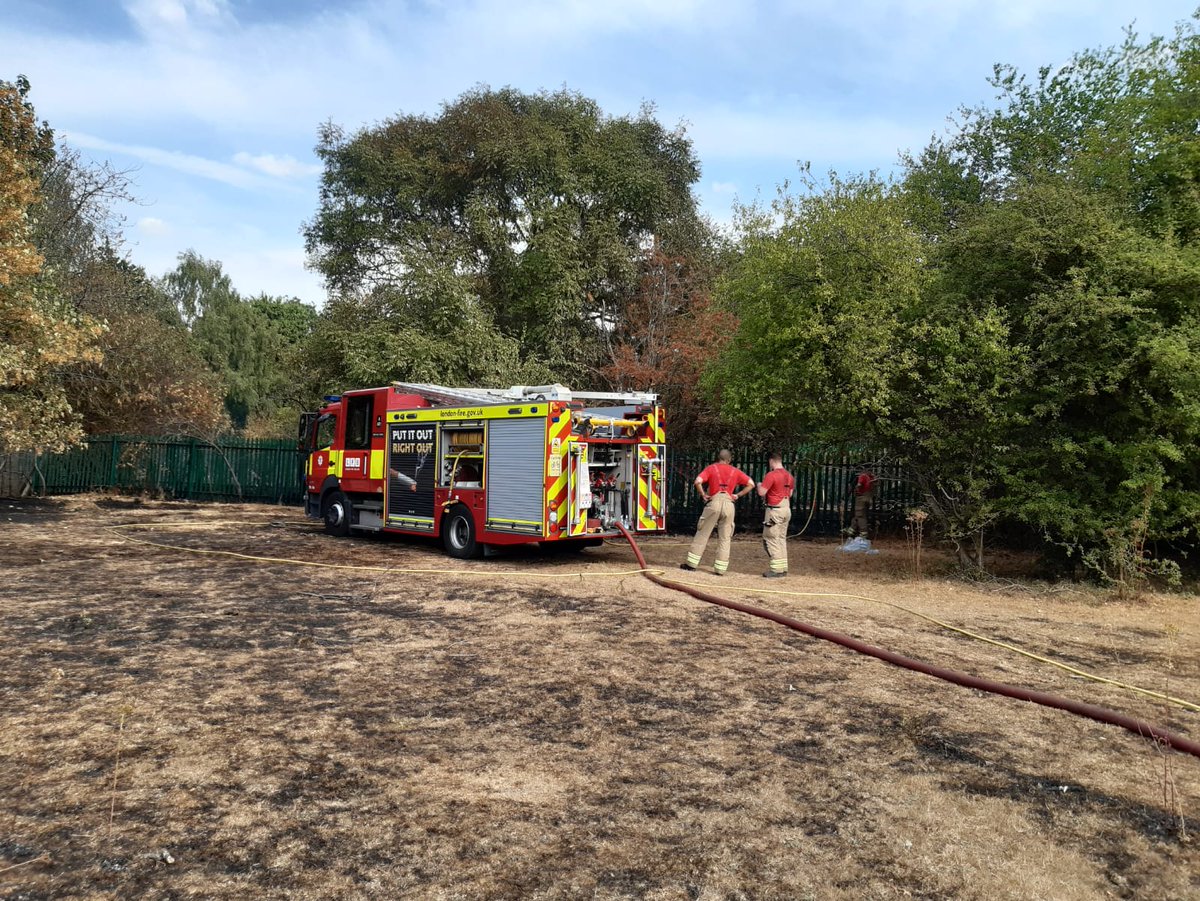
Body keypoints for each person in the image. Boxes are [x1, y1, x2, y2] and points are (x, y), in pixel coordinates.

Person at [682, 449, 755, 575]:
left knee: (703, 533)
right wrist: (737, 495)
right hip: (729, 504)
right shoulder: (735, 471)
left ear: (718, 458)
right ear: (729, 460)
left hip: (714, 502)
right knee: (725, 538)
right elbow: (751, 484)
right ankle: (720, 569)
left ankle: (691, 564)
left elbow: (698, 481)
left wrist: (703, 494)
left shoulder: (711, 468)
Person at [757, 453, 795, 578]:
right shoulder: (789, 476)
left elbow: (762, 492)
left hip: (775, 510)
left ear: (772, 461)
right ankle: (783, 567)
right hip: (786, 509)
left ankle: (776, 569)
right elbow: (790, 493)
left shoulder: (771, 475)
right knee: (781, 538)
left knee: (770, 538)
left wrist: (758, 485)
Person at [850, 466, 876, 544]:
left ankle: (863, 534)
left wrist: (856, 490)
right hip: (868, 498)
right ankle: (851, 531)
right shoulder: (872, 477)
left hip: (861, 498)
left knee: (860, 516)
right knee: (858, 515)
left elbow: (859, 485)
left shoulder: (863, 476)